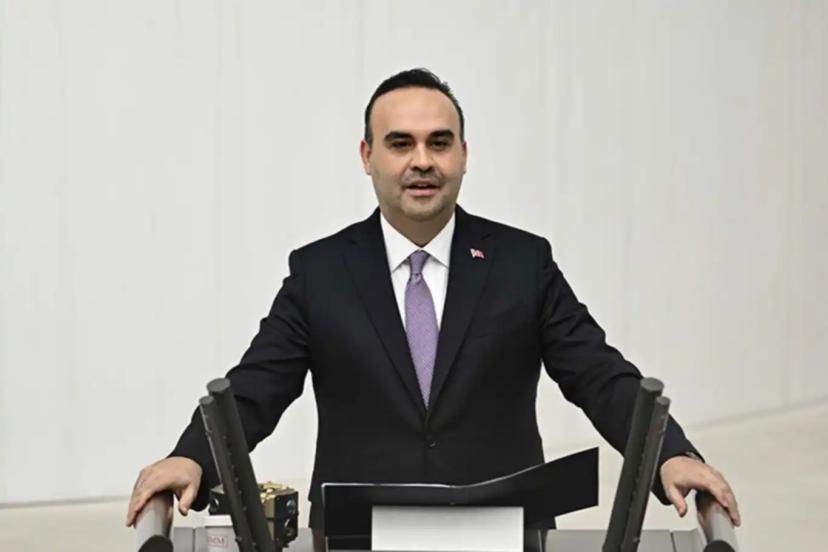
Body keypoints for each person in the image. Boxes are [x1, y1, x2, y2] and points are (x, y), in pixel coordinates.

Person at [126, 68, 741, 530]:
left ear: (463, 155)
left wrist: (670, 455)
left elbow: (598, 374)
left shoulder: (523, 263)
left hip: (503, 529)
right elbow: (257, 386)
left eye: (439, 143)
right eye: (400, 143)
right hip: (359, 534)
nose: (422, 161)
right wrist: (192, 458)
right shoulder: (320, 272)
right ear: (367, 156)